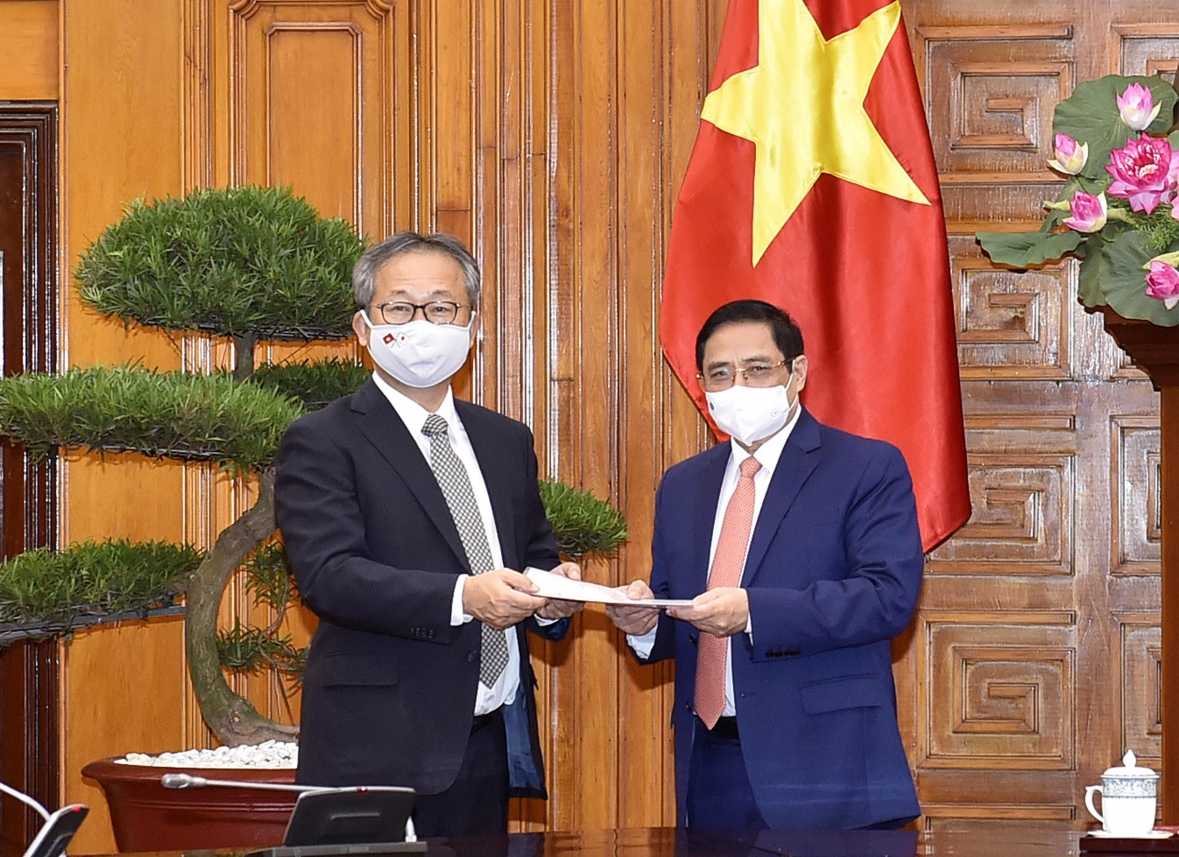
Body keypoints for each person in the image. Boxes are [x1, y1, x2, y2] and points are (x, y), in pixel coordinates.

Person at [275, 231, 583, 837]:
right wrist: (464, 597)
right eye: (399, 307)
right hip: (376, 742)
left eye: (442, 307)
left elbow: (534, 554)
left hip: (486, 734)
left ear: (473, 326)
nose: (422, 323)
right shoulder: (322, 439)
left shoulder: (505, 440)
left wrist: (555, 594)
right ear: (363, 328)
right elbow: (329, 576)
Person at [607, 299, 923, 831]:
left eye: (756, 369)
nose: (738, 387)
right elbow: (681, 613)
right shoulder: (683, 485)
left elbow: (886, 597)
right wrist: (644, 625)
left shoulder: (866, 467)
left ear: (797, 372)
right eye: (720, 374)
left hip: (828, 767)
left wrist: (753, 612)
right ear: (701, 386)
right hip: (709, 763)